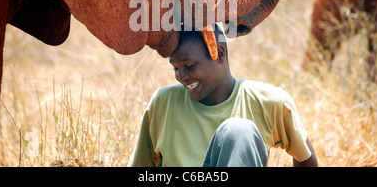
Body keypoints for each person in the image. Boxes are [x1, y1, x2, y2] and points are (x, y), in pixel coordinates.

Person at [128, 25, 318, 167]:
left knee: (238, 130)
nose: (181, 76)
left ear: (219, 54)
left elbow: (306, 158)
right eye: (175, 68)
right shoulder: (163, 103)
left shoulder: (268, 101)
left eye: (189, 65)